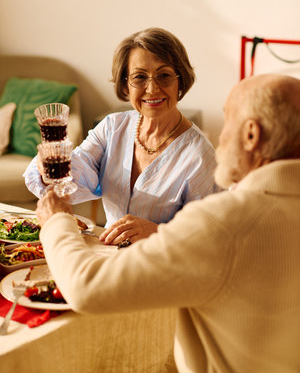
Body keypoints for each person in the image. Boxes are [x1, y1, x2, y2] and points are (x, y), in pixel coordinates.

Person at [36, 73, 300, 372]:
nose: (221, 136)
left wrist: (57, 221)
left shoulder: (223, 222)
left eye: (228, 122)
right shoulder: (114, 127)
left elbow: (87, 287)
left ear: (251, 135)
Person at [24, 27, 218, 244]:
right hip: (108, 255)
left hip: (163, 267)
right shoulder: (112, 128)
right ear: (125, 84)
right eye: (140, 77)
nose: (152, 89)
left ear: (180, 80)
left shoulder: (200, 155)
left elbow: (208, 238)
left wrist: (157, 232)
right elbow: (75, 183)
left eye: (164, 75)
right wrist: (47, 169)